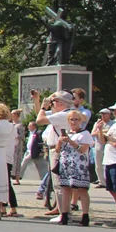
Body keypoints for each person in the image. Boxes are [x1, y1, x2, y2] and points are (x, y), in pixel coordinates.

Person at [34, 89, 75, 218]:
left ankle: (64, 213)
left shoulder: (63, 115)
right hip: (57, 149)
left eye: (54, 101)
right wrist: (38, 101)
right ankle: (60, 208)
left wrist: (43, 106)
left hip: (59, 149)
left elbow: (40, 120)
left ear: (62, 103)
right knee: (58, 182)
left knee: (59, 183)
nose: (52, 104)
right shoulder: (63, 113)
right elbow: (39, 115)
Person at [53, 109, 93, 226]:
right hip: (66, 165)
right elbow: (57, 150)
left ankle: (85, 216)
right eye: (72, 119)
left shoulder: (84, 134)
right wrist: (60, 141)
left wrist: (70, 141)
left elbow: (82, 149)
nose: (74, 122)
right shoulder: (66, 133)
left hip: (79, 167)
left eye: (77, 119)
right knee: (66, 190)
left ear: (81, 121)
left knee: (82, 190)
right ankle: (64, 215)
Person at [96, 99, 116, 228]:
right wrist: (100, 130)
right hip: (109, 160)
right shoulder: (115, 125)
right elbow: (103, 141)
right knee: (112, 190)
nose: (115, 112)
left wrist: (106, 136)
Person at [93, 108, 112, 188]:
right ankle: (101, 181)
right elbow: (93, 133)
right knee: (98, 164)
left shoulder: (113, 123)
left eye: (105, 114)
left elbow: (110, 133)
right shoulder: (98, 123)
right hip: (99, 145)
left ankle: (108, 181)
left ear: (109, 114)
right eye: (102, 114)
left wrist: (102, 131)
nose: (103, 115)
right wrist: (101, 131)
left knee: (108, 164)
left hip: (109, 145)